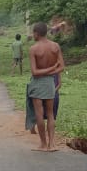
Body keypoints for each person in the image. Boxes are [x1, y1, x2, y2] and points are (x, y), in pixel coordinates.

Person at [27, 22, 65, 151]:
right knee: (50, 114)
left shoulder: (34, 49)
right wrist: (53, 69)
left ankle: (43, 144)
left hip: (38, 83)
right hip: (50, 82)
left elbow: (35, 72)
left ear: (37, 33)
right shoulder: (55, 46)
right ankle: (52, 144)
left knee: (39, 113)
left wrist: (47, 70)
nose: (33, 35)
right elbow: (61, 66)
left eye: (33, 33)